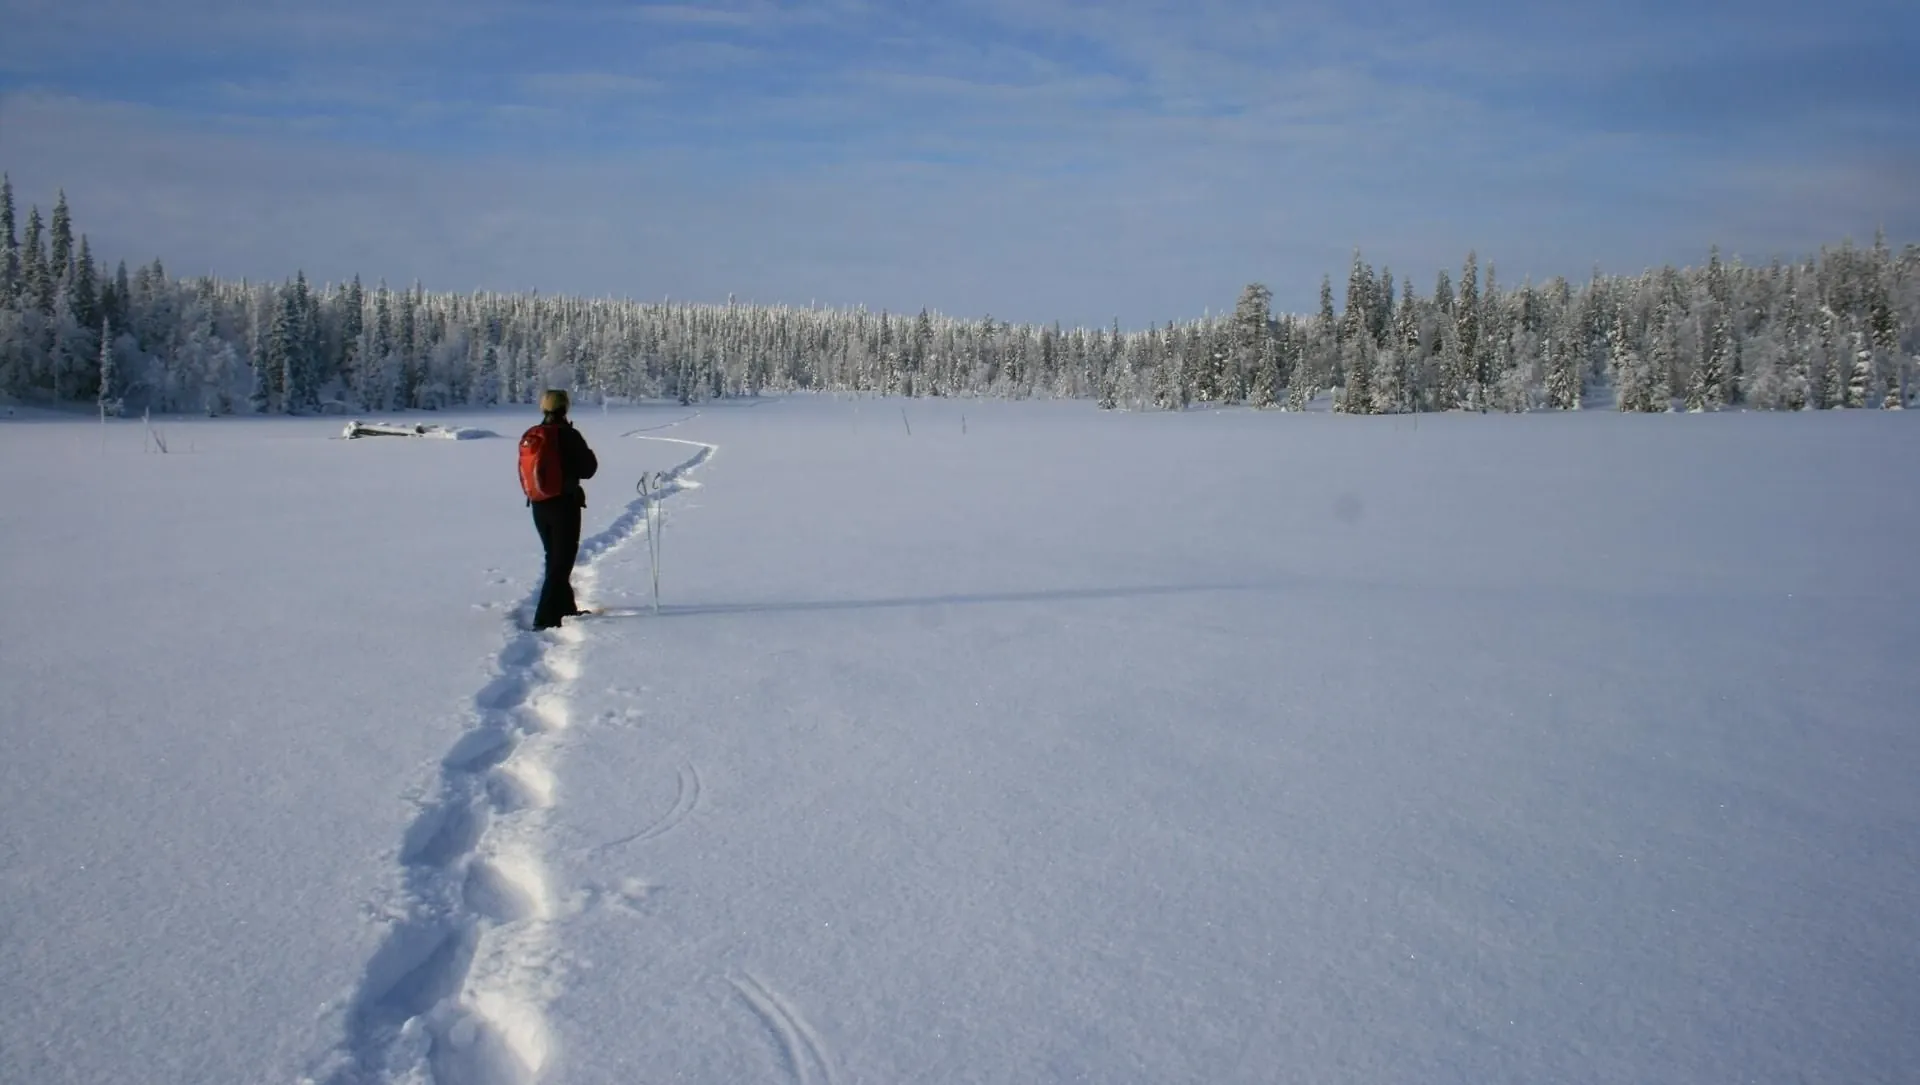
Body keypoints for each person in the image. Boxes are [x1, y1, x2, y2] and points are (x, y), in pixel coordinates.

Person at [527, 389, 598, 630]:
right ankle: (544, 618)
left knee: (554, 557)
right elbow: (589, 469)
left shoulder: (535, 434)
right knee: (562, 562)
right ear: (565, 409)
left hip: (538, 505)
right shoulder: (568, 435)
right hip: (564, 506)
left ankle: (566, 608)